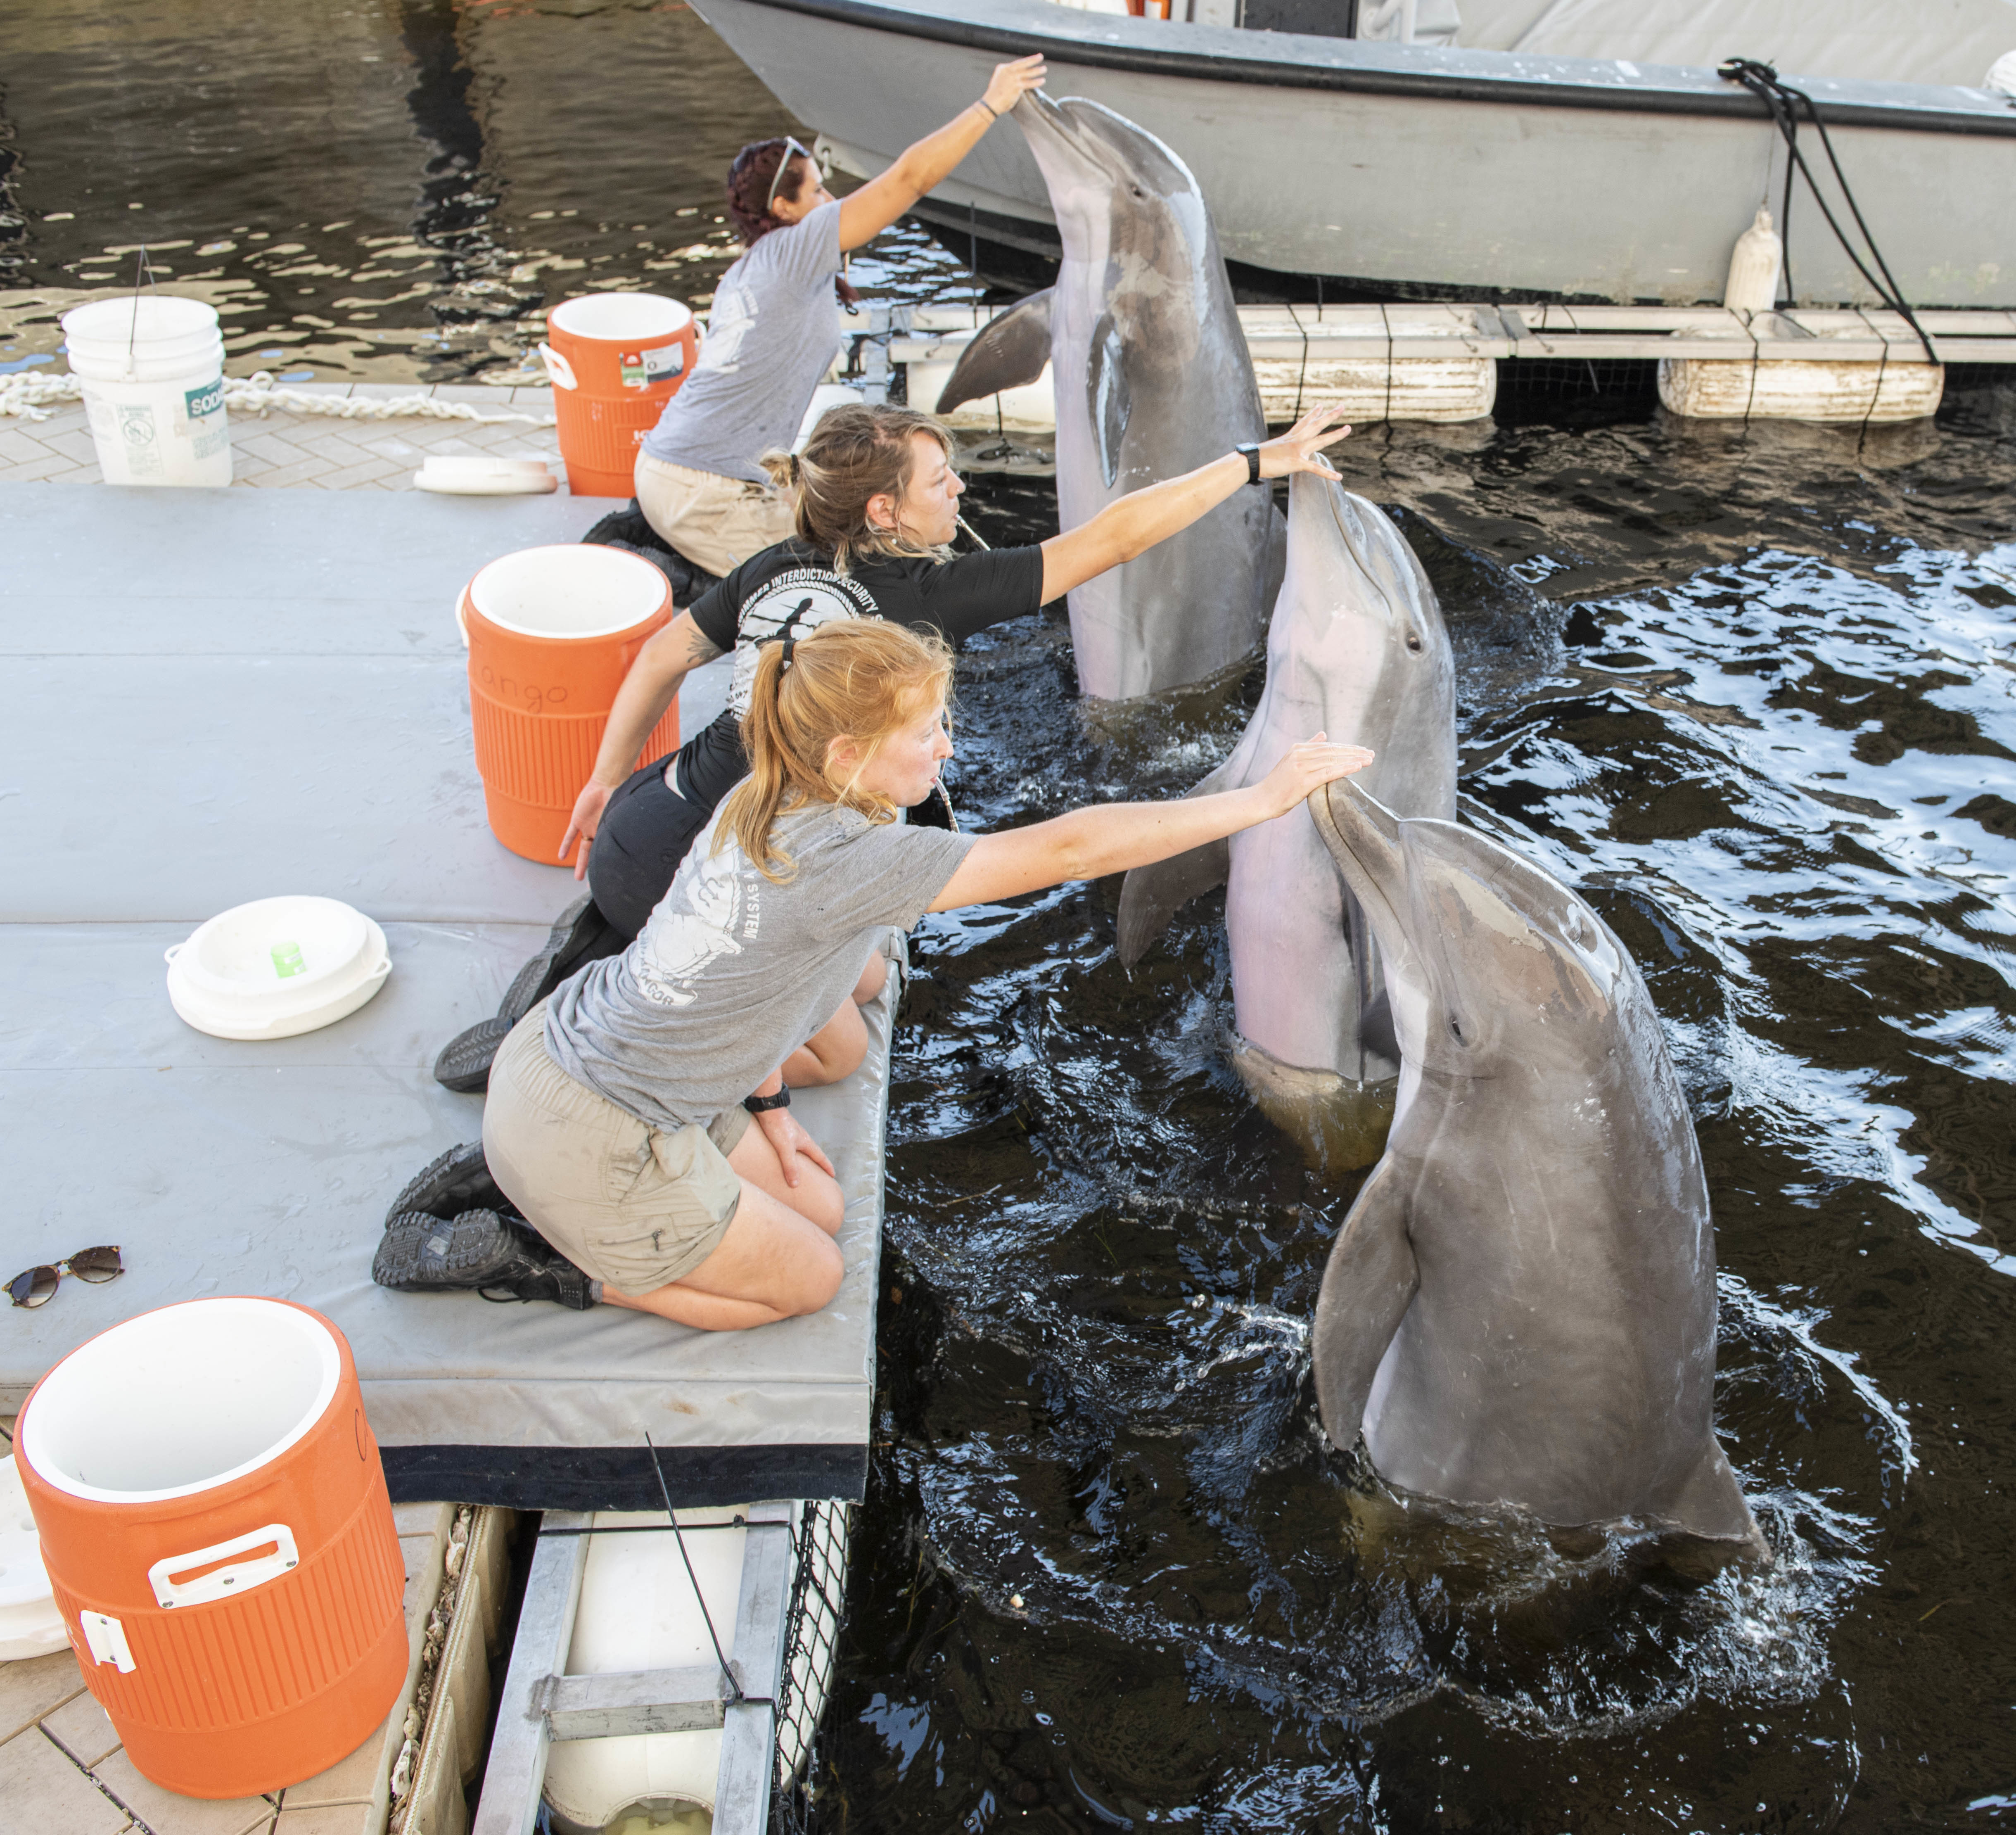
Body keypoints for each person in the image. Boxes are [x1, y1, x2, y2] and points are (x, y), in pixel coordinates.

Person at [377, 620, 1373, 1329]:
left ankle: (531, 1179)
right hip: (597, 1134)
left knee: (816, 1202)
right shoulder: (851, 861)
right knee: (808, 1275)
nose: (947, 746)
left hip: (567, 1053)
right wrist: (1262, 797)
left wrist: (768, 1110)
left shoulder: (762, 795)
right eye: (926, 732)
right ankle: (539, 1256)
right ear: (851, 752)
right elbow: (1071, 849)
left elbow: (729, 977)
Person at [428, 398, 1351, 1091]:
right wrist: (1255, 460)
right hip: (714, 885)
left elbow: (664, 651)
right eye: (939, 480)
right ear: (883, 512)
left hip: (641, 819)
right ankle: (611, 1019)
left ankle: (604, 940)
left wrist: (599, 780)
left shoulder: (775, 565)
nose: (960, 490)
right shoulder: (931, 596)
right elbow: (1112, 540)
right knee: (845, 1026)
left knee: (859, 963)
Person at [633, 53, 1048, 577]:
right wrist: (991, 106)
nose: (831, 200)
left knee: (856, 539)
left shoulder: (758, 265)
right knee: (843, 583)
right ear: (783, 209)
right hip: (703, 491)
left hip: (681, 473)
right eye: (817, 190)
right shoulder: (795, 248)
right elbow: (909, 180)